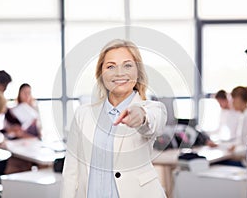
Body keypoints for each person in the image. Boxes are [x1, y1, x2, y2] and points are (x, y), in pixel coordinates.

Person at [61, 39, 167, 198]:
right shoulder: (83, 114)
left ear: (138, 72)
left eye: (128, 65)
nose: (119, 73)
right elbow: (70, 173)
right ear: (101, 74)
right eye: (110, 66)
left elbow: (153, 122)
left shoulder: (152, 109)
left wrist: (141, 116)